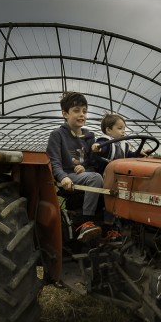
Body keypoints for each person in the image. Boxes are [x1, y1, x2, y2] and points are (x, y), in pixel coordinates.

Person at [46, 91, 103, 242]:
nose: (82, 115)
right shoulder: (57, 135)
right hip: (68, 176)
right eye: (76, 111)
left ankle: (112, 224)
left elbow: (93, 164)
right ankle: (86, 222)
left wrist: (86, 169)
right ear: (65, 113)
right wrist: (63, 177)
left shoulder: (89, 137)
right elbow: (54, 161)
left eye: (84, 111)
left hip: (84, 176)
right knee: (96, 178)